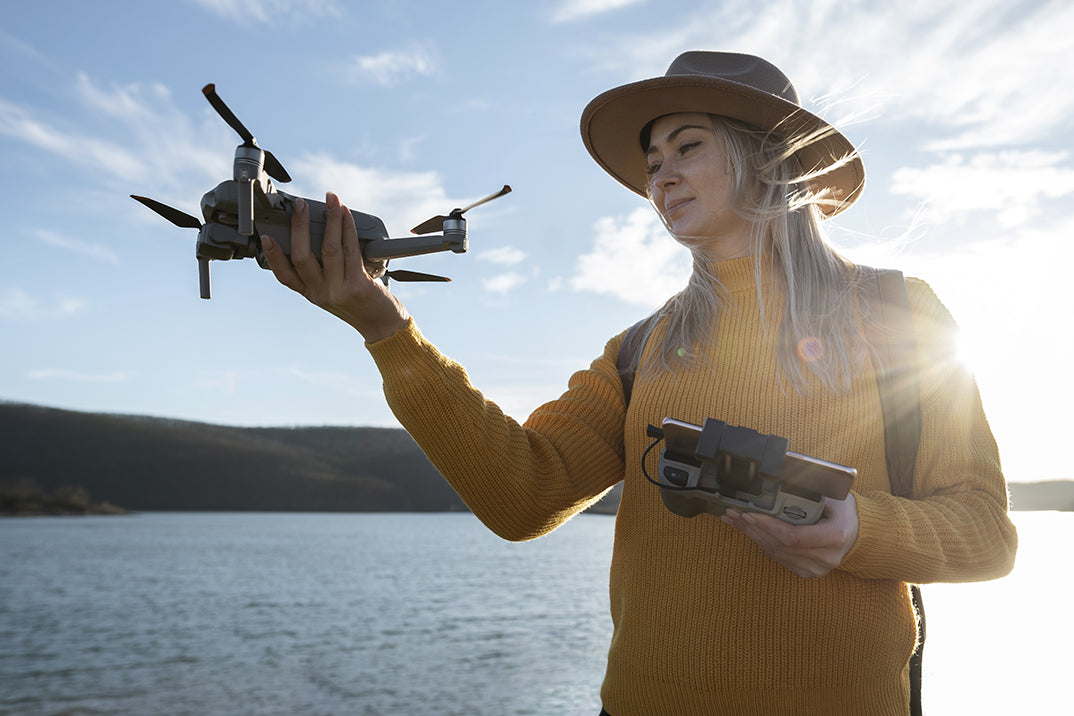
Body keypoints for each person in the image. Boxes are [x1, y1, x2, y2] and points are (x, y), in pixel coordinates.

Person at [260, 52, 1017, 715]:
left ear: (770, 159)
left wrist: (858, 530)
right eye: (653, 161)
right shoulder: (640, 350)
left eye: (688, 146)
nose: (661, 175)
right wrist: (387, 329)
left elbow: (987, 534)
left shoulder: (898, 313)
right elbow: (523, 497)